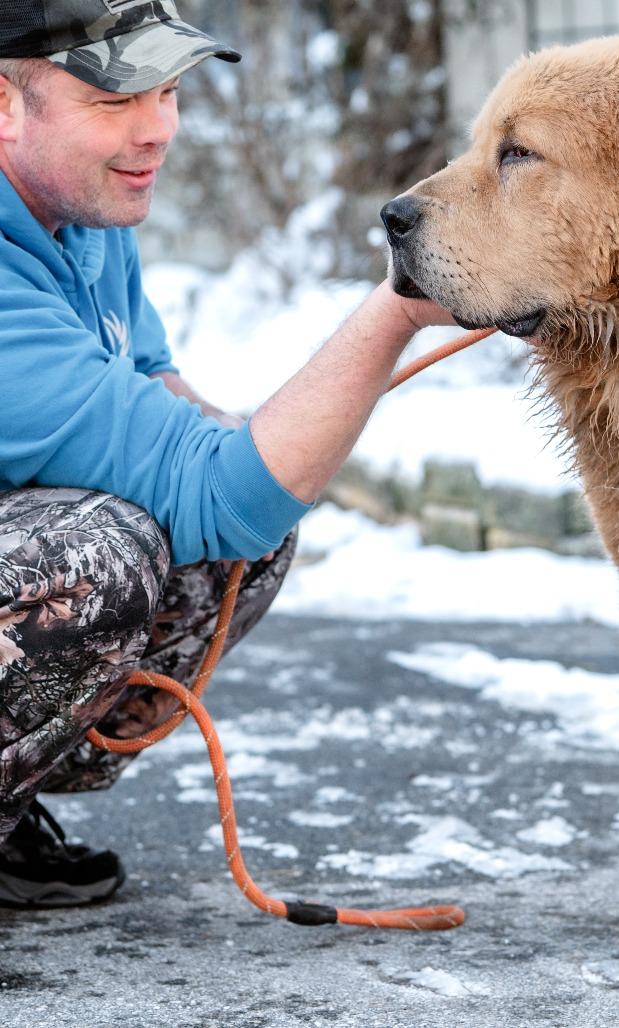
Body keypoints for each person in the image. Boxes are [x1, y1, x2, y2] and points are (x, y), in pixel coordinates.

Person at [0, 1, 451, 907]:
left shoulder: (78, 221)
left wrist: (263, 452)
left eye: (169, 91)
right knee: (101, 556)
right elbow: (217, 491)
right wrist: (400, 305)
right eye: (116, 98)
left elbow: (175, 408)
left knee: (242, 532)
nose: (159, 128)